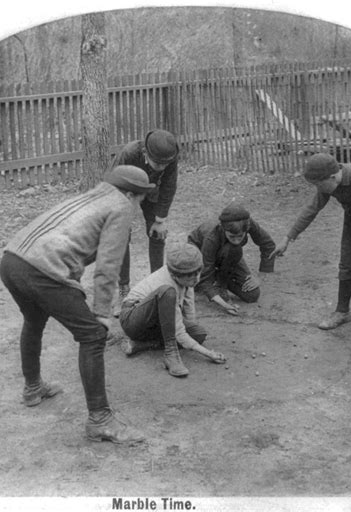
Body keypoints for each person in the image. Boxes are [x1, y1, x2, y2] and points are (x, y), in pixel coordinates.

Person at [0, 165, 156, 443]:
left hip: (12, 260)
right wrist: (103, 313)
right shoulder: (121, 207)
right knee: (93, 334)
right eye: (142, 196)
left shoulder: (95, 195)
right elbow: (108, 266)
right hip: (40, 270)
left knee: (34, 319)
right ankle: (100, 420)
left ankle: (33, 388)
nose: (141, 202)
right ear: (131, 194)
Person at [271, 153, 351, 336]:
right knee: (346, 262)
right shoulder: (328, 181)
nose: (318, 188)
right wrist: (288, 238)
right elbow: (311, 209)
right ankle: (342, 312)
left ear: (333, 177)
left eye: (319, 185)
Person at [119, 243, 226, 377]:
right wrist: (208, 353)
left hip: (155, 321)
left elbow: (189, 310)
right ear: (175, 275)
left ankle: (141, 345)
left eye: (198, 273)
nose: (196, 279)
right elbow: (179, 332)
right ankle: (171, 354)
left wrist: (192, 331)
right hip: (133, 319)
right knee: (167, 292)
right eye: (190, 277)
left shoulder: (186, 276)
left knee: (198, 333)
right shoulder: (169, 284)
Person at [110, 129, 179, 317]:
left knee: (158, 234)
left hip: (152, 192)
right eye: (157, 163)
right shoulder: (129, 154)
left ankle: (156, 287)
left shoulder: (170, 155)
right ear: (145, 154)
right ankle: (124, 289)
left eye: (165, 164)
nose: (161, 168)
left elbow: (169, 186)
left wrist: (160, 220)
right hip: (124, 191)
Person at [187, 204, 276, 316]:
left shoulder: (248, 223)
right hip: (200, 250)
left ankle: (222, 276)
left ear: (247, 228)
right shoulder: (211, 238)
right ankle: (219, 283)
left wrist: (261, 276)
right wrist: (224, 304)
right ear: (223, 229)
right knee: (200, 279)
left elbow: (268, 245)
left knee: (252, 295)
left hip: (229, 253)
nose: (236, 240)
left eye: (240, 236)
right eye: (231, 236)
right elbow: (206, 276)